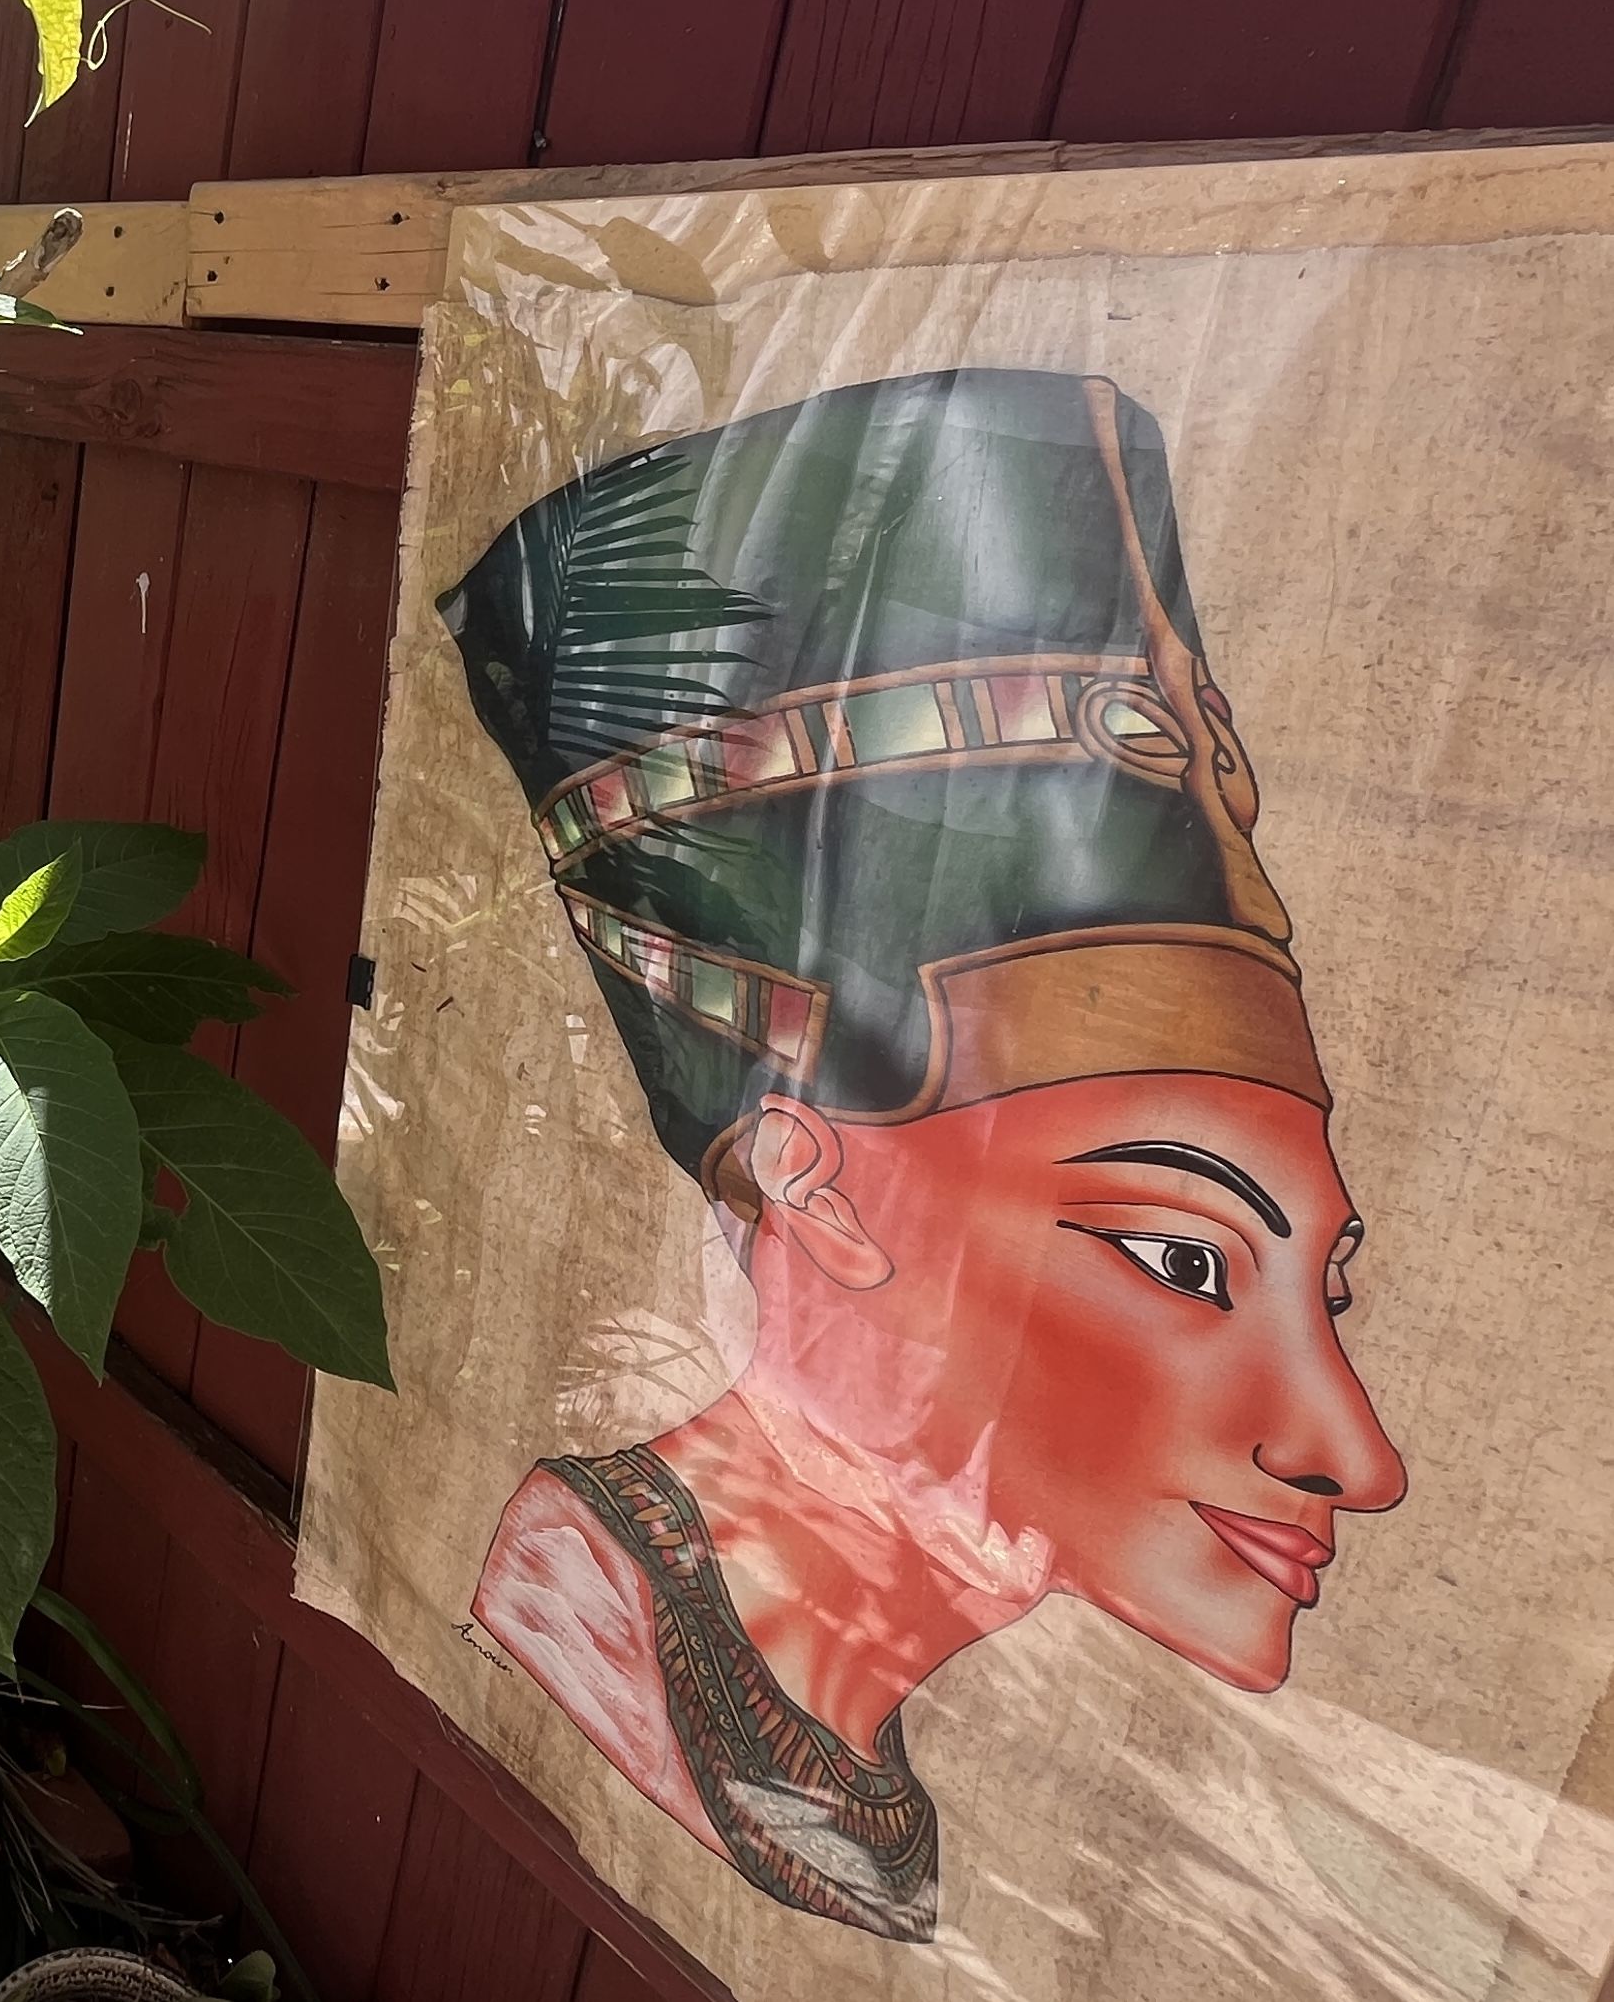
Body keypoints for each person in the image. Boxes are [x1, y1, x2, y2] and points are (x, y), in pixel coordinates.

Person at [438, 368, 1403, 1942]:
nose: (1359, 1457)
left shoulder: (842, 1757)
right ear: (815, 1177)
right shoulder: (616, 1621)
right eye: (1181, 1254)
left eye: (1326, 1287)